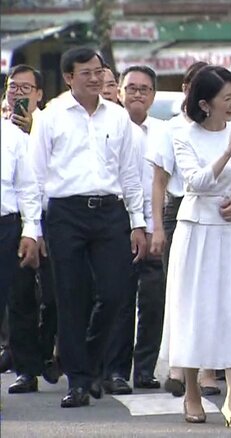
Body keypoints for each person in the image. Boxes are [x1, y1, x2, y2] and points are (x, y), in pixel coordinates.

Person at [29, 46, 147, 408]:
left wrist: (138, 222)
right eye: (87, 73)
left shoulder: (117, 117)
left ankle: (86, 357)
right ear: (68, 78)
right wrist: (32, 229)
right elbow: (35, 177)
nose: (96, 78)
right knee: (70, 296)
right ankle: (79, 382)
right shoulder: (50, 117)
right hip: (66, 213)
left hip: (110, 212)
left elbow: (129, 172)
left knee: (115, 293)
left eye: (99, 71)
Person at [166, 66, 231, 428]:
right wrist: (226, 153)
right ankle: (191, 391)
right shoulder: (183, 135)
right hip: (198, 230)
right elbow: (195, 182)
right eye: (226, 98)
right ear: (205, 104)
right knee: (195, 309)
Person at [147, 61, 221, 397]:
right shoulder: (171, 128)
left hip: (219, 212)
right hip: (180, 210)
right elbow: (160, 181)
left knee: (212, 292)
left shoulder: (226, 128)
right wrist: (158, 227)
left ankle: (208, 369)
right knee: (180, 291)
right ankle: (178, 366)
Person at [98, 65, 167, 394]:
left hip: (155, 230)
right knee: (120, 302)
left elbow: (166, 185)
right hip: (118, 229)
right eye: (132, 88)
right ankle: (115, 370)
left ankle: (145, 370)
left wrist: (158, 229)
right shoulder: (107, 128)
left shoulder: (164, 133)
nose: (138, 93)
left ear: (153, 95)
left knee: (153, 304)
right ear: (120, 92)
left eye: (145, 88)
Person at [4, 65, 61, 394]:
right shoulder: (4, 129)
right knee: (20, 296)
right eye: (13, 86)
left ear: (40, 94)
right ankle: (26, 369)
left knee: (55, 295)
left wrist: (32, 132)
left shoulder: (51, 124)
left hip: (53, 217)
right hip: (17, 222)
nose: (19, 93)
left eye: (26, 88)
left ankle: (48, 351)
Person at [1, 117, 42, 392]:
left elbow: (27, 186)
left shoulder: (11, 136)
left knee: (16, 299)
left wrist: (30, 230)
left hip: (7, 225)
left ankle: (26, 369)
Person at [3, 64, 44, 133]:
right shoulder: (3, 123)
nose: (18, 92)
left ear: (39, 95)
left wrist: (32, 130)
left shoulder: (50, 123)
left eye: (25, 87)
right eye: (13, 87)